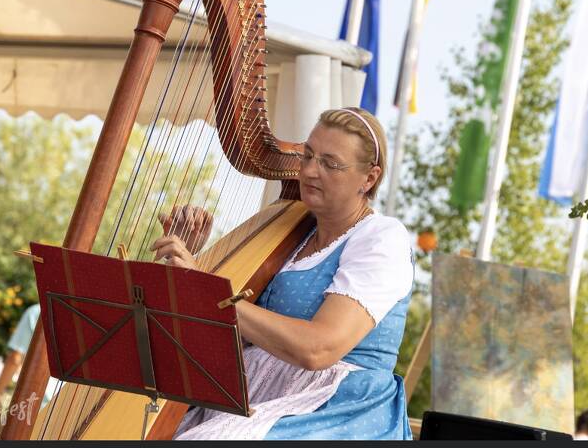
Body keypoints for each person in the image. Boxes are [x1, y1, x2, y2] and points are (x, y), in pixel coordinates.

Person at [155, 108, 414, 440]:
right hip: (260, 394)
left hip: (337, 406)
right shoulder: (293, 234)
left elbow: (318, 349)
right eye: (308, 155)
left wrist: (204, 288)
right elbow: (228, 333)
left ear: (369, 178)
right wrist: (192, 262)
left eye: (330, 164)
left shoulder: (381, 238)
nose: (309, 171)